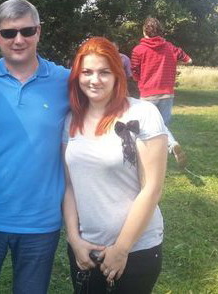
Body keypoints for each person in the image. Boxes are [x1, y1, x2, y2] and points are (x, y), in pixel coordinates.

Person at [0, 0, 70, 293]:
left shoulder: (64, 81)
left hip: (41, 220)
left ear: (39, 31)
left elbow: (102, 108)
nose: (19, 40)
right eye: (9, 33)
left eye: (27, 31)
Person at [63, 37, 168, 293]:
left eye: (104, 72)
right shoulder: (70, 120)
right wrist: (74, 239)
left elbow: (152, 188)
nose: (94, 80)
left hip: (136, 249)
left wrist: (121, 249)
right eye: (87, 72)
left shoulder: (143, 114)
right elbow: (69, 186)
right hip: (86, 249)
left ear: (117, 75)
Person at [131, 17, 192, 167]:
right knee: (163, 125)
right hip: (167, 93)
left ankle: (154, 152)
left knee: (146, 124)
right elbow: (189, 60)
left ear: (144, 31)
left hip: (148, 93)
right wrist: (172, 62)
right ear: (160, 31)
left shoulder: (138, 50)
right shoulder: (170, 47)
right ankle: (170, 145)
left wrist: (140, 80)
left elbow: (134, 71)